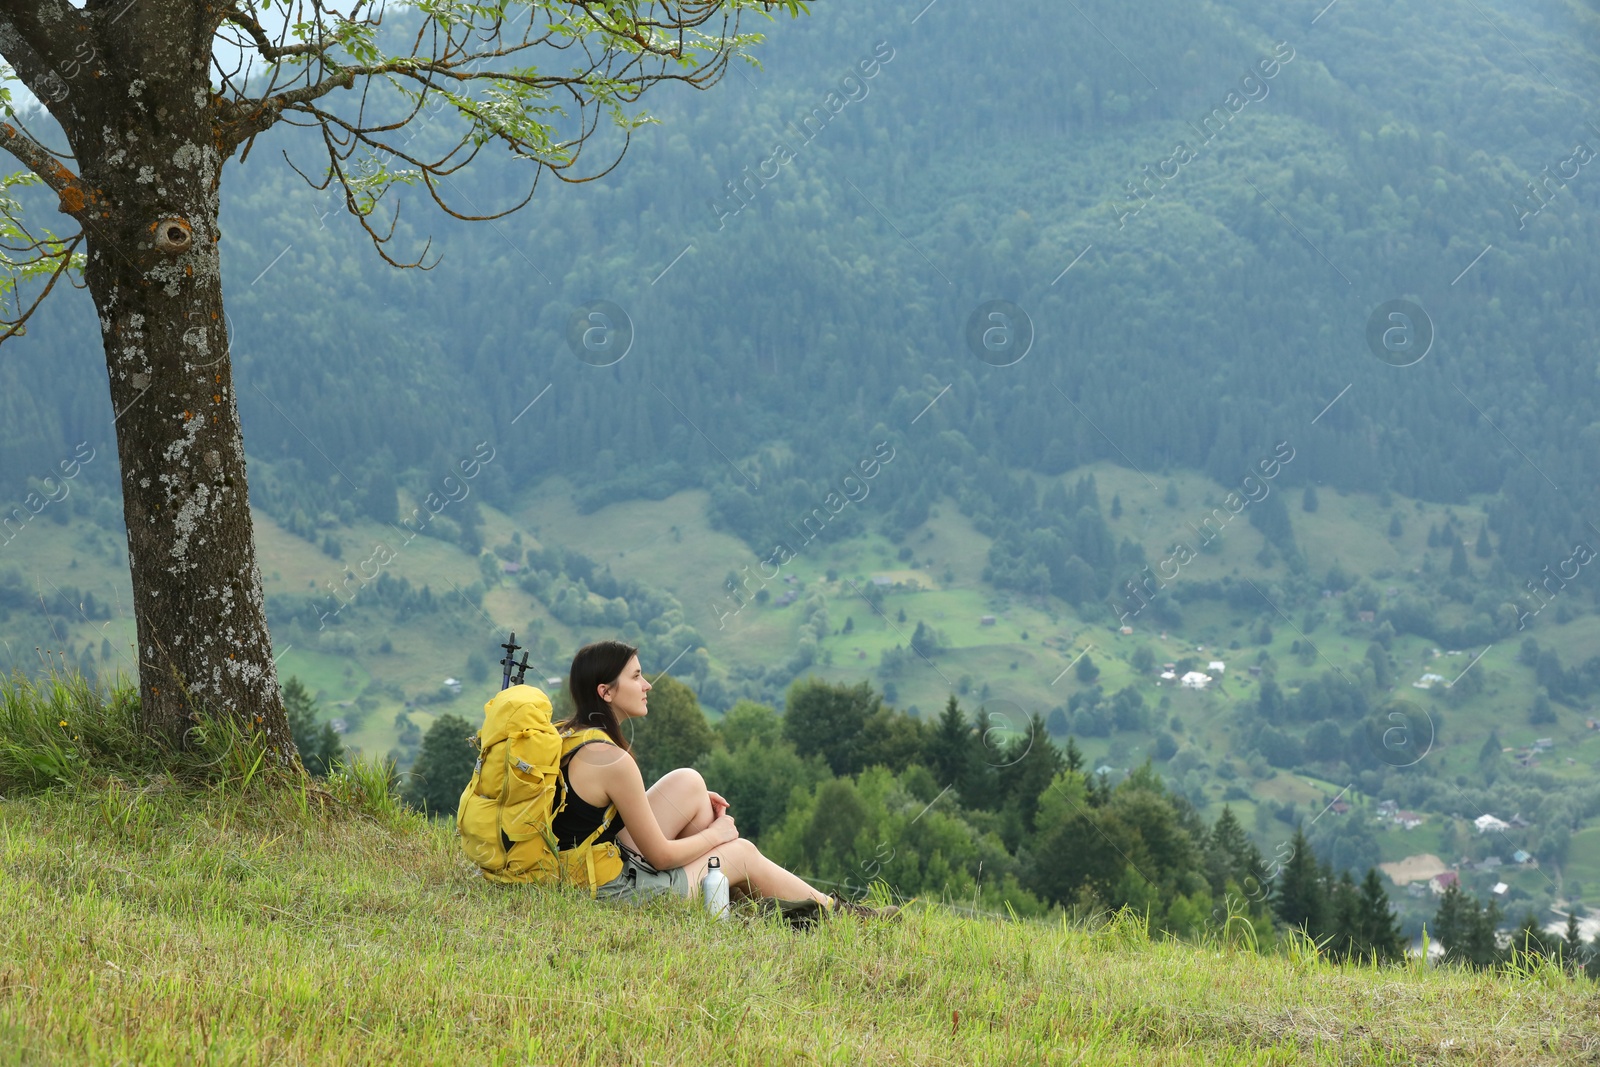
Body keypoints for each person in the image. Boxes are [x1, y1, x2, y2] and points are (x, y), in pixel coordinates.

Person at [550, 639, 896, 919]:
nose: (647, 685)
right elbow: (660, 856)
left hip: (583, 866)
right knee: (741, 852)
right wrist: (718, 835)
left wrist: (699, 816)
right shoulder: (613, 760)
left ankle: (727, 903)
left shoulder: (567, 734)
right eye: (636, 677)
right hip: (610, 892)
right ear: (606, 692)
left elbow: (588, 815)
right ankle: (840, 914)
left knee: (689, 784)